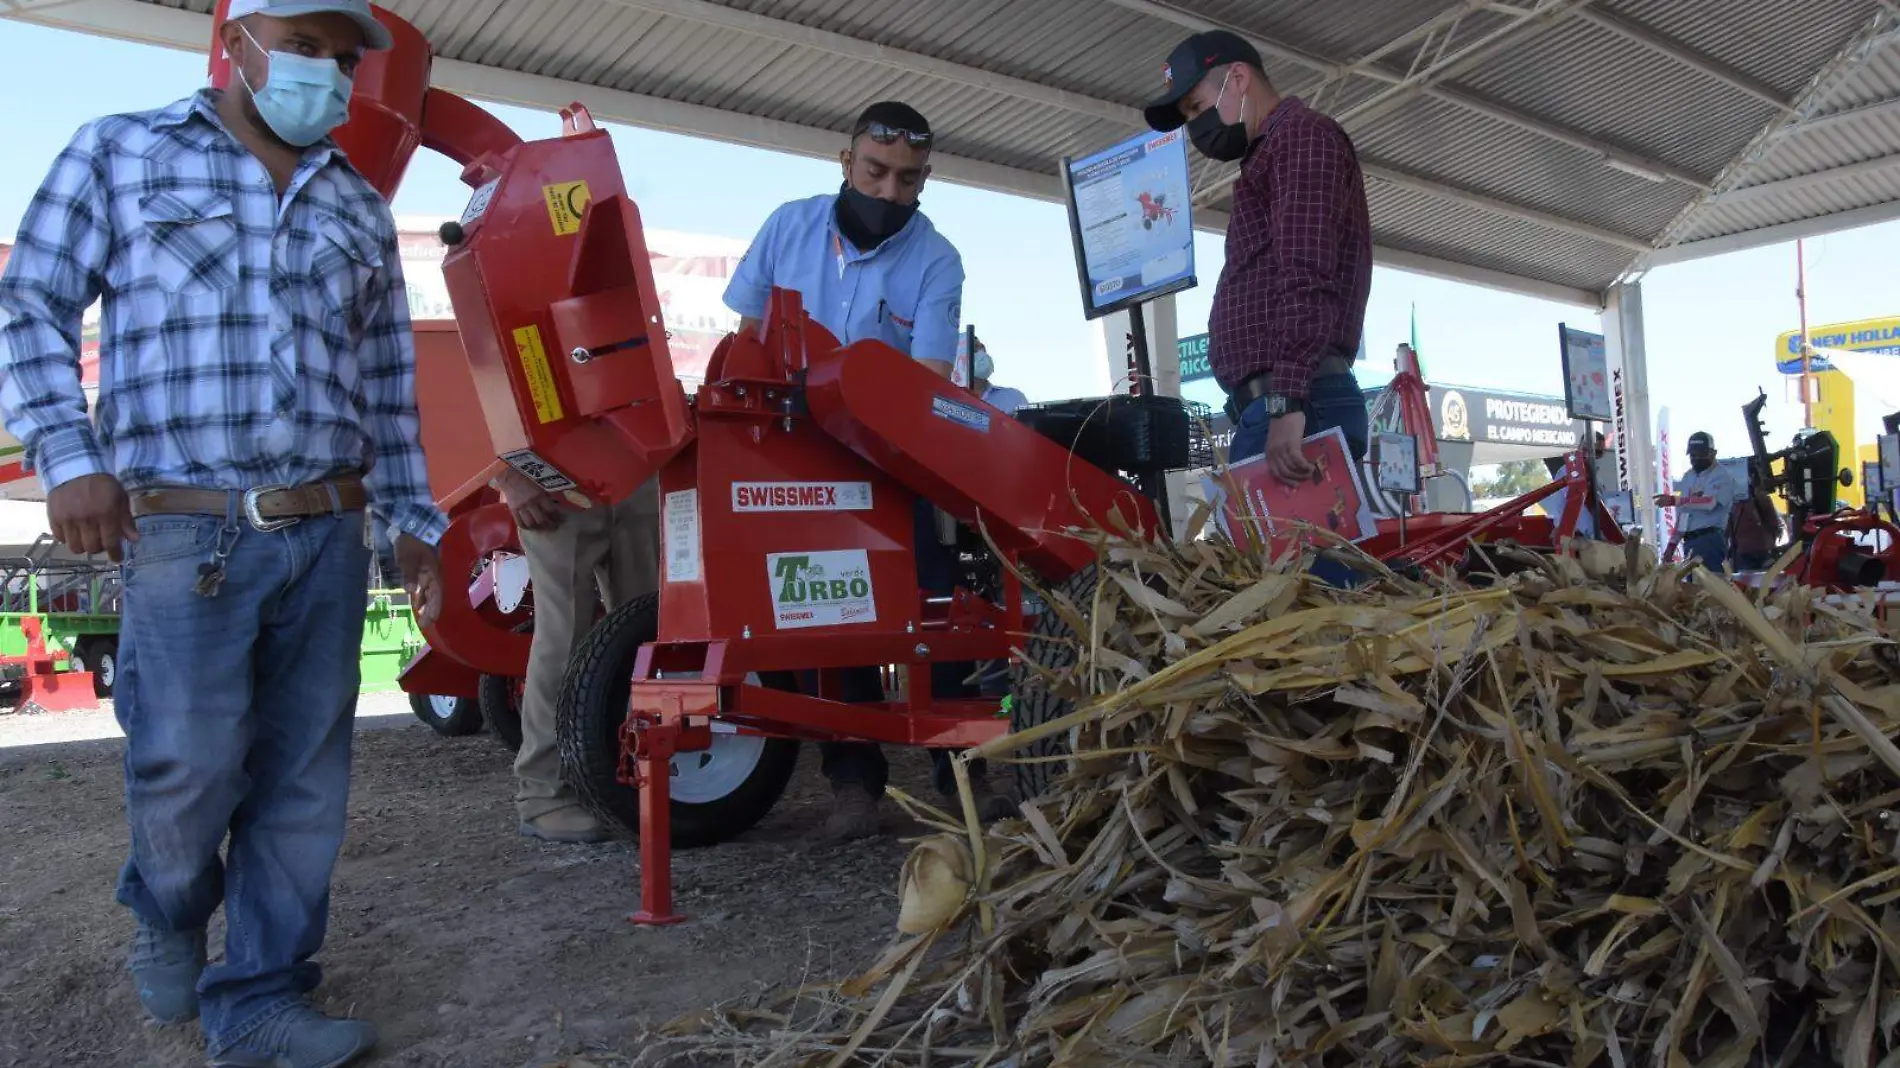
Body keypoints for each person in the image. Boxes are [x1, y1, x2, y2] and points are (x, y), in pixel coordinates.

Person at [0, 3, 444, 1066]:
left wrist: (415, 521)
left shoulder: (354, 202)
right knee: (187, 770)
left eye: (343, 61)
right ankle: (165, 904)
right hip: (183, 533)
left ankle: (260, 999)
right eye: (303, 48)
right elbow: (30, 304)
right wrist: (72, 460)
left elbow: (386, 382)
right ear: (237, 45)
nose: (329, 77)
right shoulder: (121, 152)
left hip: (327, 532)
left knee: (302, 781)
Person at [722, 101, 1009, 841]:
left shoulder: (936, 260)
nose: (887, 193)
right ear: (845, 162)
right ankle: (854, 785)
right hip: (790, 459)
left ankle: (961, 776)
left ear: (925, 181)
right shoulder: (788, 226)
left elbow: (929, 381)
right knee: (824, 616)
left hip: (893, 460)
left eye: (907, 181)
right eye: (875, 172)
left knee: (932, 601)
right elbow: (746, 338)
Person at [1143, 31, 1374, 481]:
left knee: (1294, 553)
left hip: (1301, 403)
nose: (1196, 126)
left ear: (1239, 77)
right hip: (1287, 401)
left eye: (1195, 106)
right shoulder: (1271, 152)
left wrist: (1286, 403)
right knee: (1281, 552)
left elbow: (1305, 269)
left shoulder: (1302, 136)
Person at [492, 468, 659, 843]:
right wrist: (508, 477)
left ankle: (635, 782)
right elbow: (468, 409)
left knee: (648, 636)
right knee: (562, 639)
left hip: (641, 471)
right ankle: (543, 796)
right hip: (552, 478)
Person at [1655, 432, 1741, 570]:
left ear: (1713, 453)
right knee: (1692, 587)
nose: (1696, 458)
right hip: (1689, 541)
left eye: (1701, 454)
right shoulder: (1688, 476)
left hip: (1710, 538)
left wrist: (1674, 500)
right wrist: (1672, 544)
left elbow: (1709, 503)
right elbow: (1684, 514)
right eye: (1693, 455)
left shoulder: (1722, 475)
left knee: (1709, 586)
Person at [1727, 466, 1781, 571]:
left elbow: (1727, 529)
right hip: (1757, 551)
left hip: (1750, 552)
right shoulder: (1759, 497)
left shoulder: (1734, 500)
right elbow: (1774, 524)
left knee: (1746, 584)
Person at [972, 344, 1028, 414]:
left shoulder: (1014, 398)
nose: (982, 354)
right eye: (974, 349)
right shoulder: (955, 399)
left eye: (983, 349)